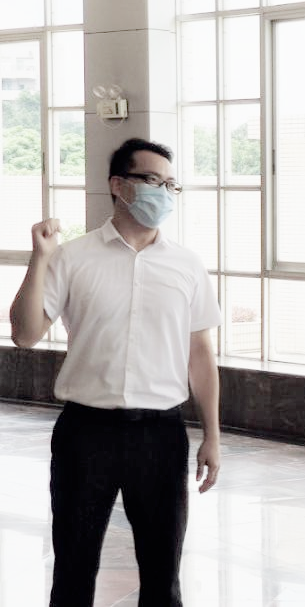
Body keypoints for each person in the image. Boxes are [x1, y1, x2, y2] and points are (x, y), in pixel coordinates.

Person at [9, 138, 222, 607]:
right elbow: (24, 333)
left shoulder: (187, 265)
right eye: (152, 180)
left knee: (163, 574)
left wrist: (212, 434)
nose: (163, 192)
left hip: (161, 435)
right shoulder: (73, 257)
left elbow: (200, 355)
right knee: (73, 566)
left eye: (170, 184)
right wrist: (40, 258)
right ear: (118, 185)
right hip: (86, 433)